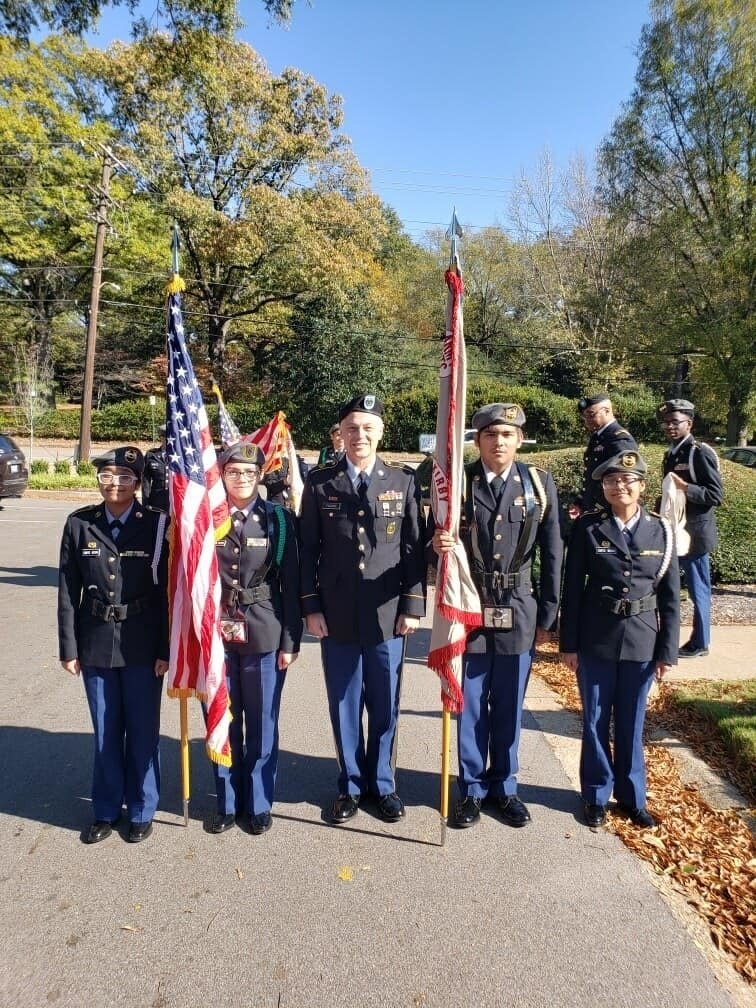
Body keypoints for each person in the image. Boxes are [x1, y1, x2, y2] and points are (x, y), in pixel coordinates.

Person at [432, 403, 562, 830]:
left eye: (507, 435)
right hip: (470, 605)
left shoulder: (539, 485)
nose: (499, 442)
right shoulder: (458, 485)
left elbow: (553, 551)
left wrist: (549, 613)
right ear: (478, 440)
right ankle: (471, 788)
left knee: (508, 705)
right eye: (490, 435)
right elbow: (434, 536)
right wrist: (441, 546)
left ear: (519, 440)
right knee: (469, 703)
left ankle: (504, 787)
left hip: (519, 607)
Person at [299, 393, 426, 825]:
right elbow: (306, 551)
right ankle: (351, 784)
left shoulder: (403, 482)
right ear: (340, 433)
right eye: (352, 428)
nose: (360, 435)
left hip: (388, 613)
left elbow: (412, 550)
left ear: (381, 432)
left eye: (368, 427)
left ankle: (383, 785)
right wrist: (310, 607)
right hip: (335, 614)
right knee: (345, 703)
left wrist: (412, 604)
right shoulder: (320, 483)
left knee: (386, 703)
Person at [560, 450, 679, 829]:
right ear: (603, 487)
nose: (619, 486)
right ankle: (595, 795)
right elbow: (572, 590)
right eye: (611, 481)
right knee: (595, 719)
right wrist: (569, 645)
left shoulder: (661, 530)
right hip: (596, 638)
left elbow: (671, 596)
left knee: (631, 721)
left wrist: (667, 652)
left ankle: (631, 797)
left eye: (627, 480)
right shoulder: (589, 529)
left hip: (643, 639)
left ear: (642, 486)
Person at [57, 446, 169, 845]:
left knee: (142, 730)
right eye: (108, 475)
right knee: (105, 730)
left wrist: (165, 649)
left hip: (142, 642)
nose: (115, 483)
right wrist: (68, 648)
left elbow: (166, 594)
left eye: (124, 477)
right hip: (96, 640)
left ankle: (141, 808)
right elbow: (68, 590)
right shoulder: (79, 524)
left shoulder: (156, 525)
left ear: (138, 484)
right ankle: (105, 809)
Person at [210, 441, 302, 835]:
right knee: (222, 720)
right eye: (234, 471)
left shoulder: (278, 520)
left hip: (265, 629)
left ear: (261, 476)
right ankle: (228, 803)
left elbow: (293, 583)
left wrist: (290, 640)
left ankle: (260, 802)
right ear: (222, 474)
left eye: (250, 472)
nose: (242, 478)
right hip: (216, 633)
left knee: (263, 723)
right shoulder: (208, 518)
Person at [659, 398, 723, 658]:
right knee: (672, 587)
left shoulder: (699, 452)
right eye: (666, 423)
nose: (670, 427)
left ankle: (701, 642)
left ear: (690, 423)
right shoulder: (672, 453)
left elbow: (715, 495)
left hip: (695, 533)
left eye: (676, 422)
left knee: (699, 591)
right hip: (675, 531)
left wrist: (687, 488)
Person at [576, 394, 637, 514]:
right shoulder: (598, 437)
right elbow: (590, 475)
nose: (587, 419)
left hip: (610, 508)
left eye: (591, 414)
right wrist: (580, 501)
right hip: (594, 506)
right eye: (585, 416)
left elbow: (625, 480)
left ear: (607, 411)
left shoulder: (619, 439)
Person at [142, 425, 169, 512]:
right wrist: (145, 502)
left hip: (176, 499)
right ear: (161, 438)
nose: (169, 441)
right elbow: (146, 481)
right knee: (159, 524)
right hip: (157, 500)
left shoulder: (181, 456)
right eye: (166, 437)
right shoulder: (152, 455)